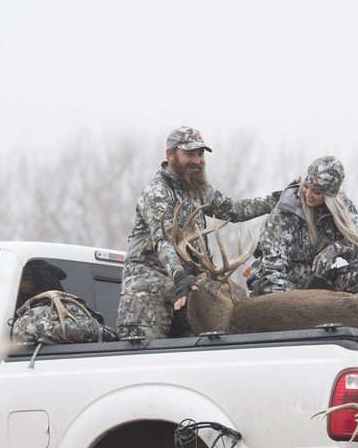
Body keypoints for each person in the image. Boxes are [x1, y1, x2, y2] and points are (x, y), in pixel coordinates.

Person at [117, 126, 280, 339]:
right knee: (147, 359)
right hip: (149, 291)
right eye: (189, 154)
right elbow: (162, 240)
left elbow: (235, 209)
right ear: (170, 154)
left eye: (200, 154)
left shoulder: (198, 189)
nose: (197, 160)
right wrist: (179, 277)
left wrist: (276, 199)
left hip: (186, 288)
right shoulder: (156, 192)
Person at [246, 155, 358, 296]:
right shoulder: (286, 209)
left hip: (317, 285)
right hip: (281, 284)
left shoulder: (345, 210)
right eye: (306, 186)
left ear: (330, 195)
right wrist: (292, 303)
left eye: (316, 191)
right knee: (275, 291)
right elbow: (272, 269)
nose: (308, 194)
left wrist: (335, 249)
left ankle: (338, 316)